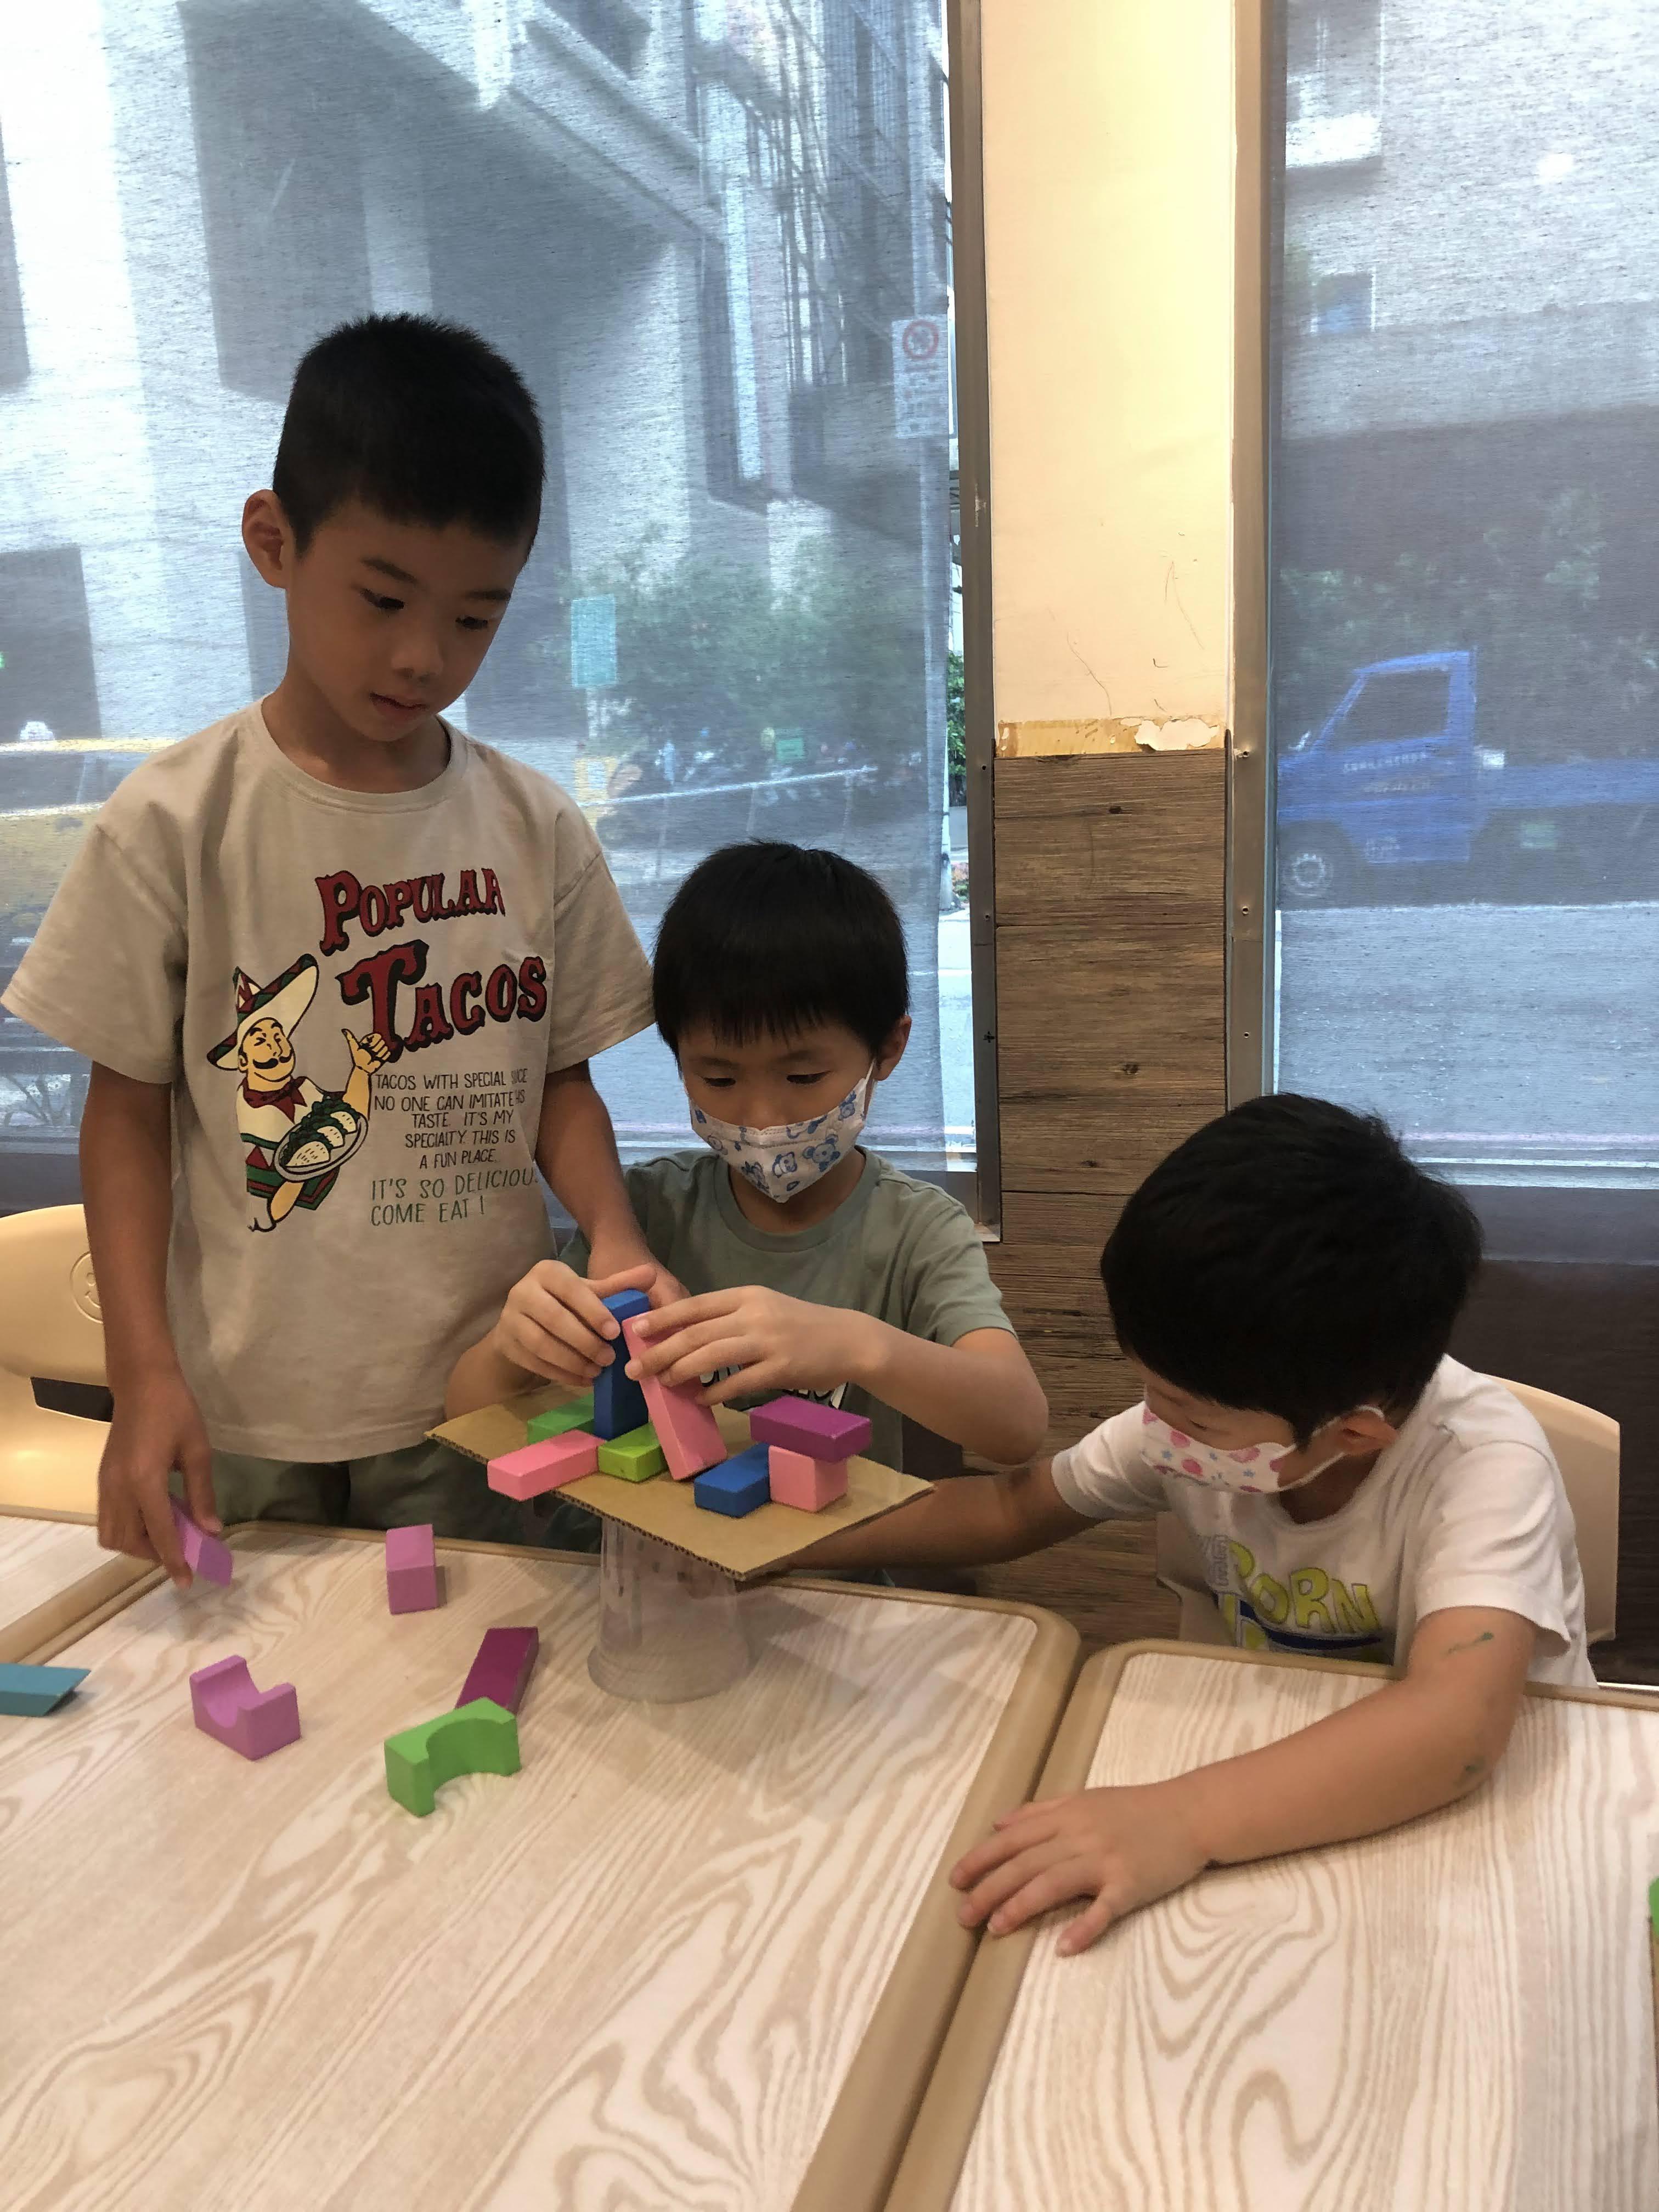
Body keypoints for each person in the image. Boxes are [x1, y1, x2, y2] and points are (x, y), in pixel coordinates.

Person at [3, 315, 662, 1584]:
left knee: (477, 1666)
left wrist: (615, 1234)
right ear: (275, 544)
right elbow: (125, 1114)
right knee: (256, 1682)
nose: (424, 656)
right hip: (245, 1408)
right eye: (383, 598)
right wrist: (143, 1377)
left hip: (480, 1393)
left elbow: (560, 1079)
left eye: (475, 617)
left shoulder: (535, 828)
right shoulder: (175, 821)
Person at [795, 1093, 1592, 1953]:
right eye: (1150, 1391)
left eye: (1189, 1415)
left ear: (1355, 1435)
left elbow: (1456, 1728)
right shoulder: (1203, 1423)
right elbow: (1011, 1508)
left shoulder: (1483, 1466)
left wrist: (1182, 1820)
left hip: (1492, 1814)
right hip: (1276, 1765)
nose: (1156, 1427)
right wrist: (785, 1540)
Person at [446, 842, 1047, 1481]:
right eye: (720, 1079)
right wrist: (511, 1348)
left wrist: (858, 1345)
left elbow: (1017, 1424)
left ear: (889, 1049)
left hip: (832, 1542)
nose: (762, 1118)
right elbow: (465, 1412)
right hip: (641, 1541)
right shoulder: (643, 1213)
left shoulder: (918, 1231)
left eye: (802, 1076)